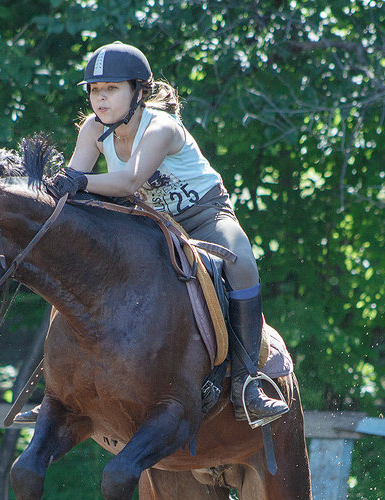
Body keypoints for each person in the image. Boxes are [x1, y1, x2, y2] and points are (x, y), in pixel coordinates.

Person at [15, 41, 288, 428]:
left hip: (204, 216)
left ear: (138, 92)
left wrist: (78, 180)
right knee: (76, 272)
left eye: (111, 89)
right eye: (95, 90)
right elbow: (74, 183)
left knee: (241, 262)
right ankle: (55, 394)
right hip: (151, 222)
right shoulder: (93, 129)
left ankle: (247, 385)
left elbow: (127, 181)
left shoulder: (160, 127)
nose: (101, 98)